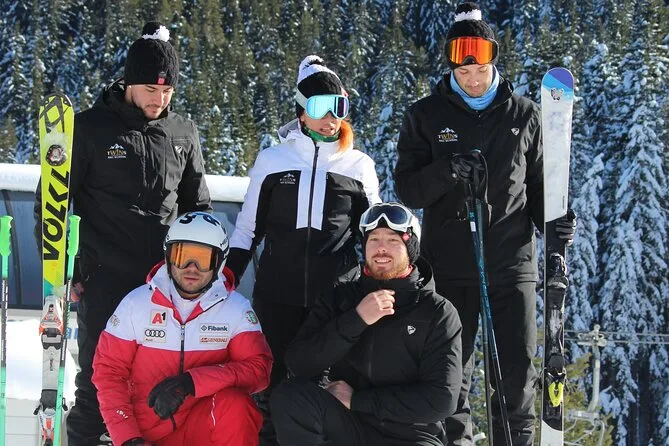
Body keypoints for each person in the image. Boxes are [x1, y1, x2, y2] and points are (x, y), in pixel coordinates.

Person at [394, 3, 577, 445]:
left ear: (494, 61)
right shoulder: (426, 116)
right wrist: (446, 172)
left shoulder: (523, 114)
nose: (472, 79)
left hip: (511, 266)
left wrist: (555, 223)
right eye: (463, 72)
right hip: (449, 268)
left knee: (515, 375)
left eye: (480, 70)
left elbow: (537, 188)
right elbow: (409, 190)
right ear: (451, 68)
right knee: (450, 375)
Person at [34, 22, 212, 445]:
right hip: (105, 278)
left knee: (160, 388)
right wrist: (69, 270)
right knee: (99, 385)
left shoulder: (182, 132)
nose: (159, 99)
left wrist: (200, 269)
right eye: (151, 89)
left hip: (164, 283)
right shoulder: (89, 129)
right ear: (130, 82)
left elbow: (197, 208)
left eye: (167, 91)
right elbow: (52, 203)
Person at [227, 55, 381, 444]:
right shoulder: (273, 161)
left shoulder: (358, 166)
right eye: (319, 108)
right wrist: (226, 278)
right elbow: (248, 229)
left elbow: (374, 235)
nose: (330, 118)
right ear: (300, 110)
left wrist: (390, 280)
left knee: (325, 392)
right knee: (271, 387)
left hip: (334, 301)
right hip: (277, 297)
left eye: (339, 108)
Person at [270, 202, 463, 446]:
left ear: (411, 248)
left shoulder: (436, 311)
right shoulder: (340, 298)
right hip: (349, 428)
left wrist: (358, 400)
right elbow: (299, 363)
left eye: (392, 240)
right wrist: (356, 320)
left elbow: (442, 400)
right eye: (373, 239)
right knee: (291, 395)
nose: (381, 248)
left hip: (411, 436)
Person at [92, 211, 272, 446]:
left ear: (219, 262)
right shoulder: (136, 305)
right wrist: (127, 437)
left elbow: (258, 370)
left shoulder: (235, 309)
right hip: (144, 434)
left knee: (236, 405)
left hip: (202, 429)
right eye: (183, 256)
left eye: (203, 259)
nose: (191, 268)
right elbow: (109, 373)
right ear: (168, 256)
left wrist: (193, 382)